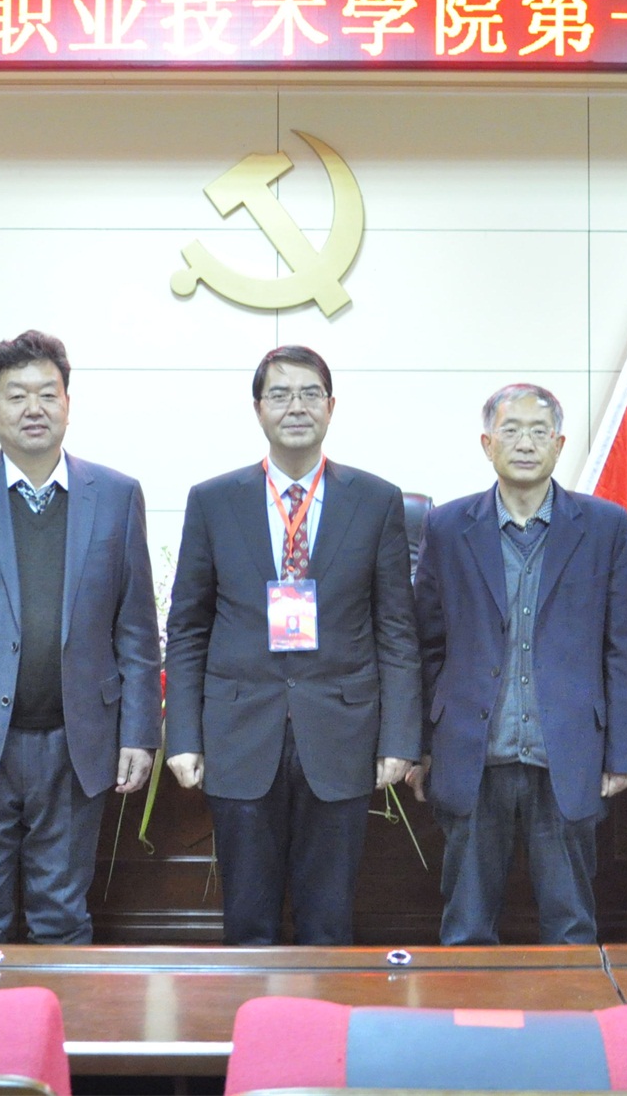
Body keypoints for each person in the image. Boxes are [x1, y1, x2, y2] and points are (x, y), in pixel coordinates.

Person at [0, 331, 160, 944]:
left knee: (63, 918)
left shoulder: (116, 495)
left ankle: (55, 1013)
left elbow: (136, 627)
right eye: (16, 396)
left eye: (48, 393)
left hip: (77, 748)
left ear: (68, 404)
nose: (33, 408)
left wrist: (139, 732)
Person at [164, 345, 422, 945]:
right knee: (247, 921)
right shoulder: (213, 500)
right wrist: (184, 736)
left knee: (328, 923)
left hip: (341, 733)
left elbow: (396, 631)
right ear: (258, 409)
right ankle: (251, 1010)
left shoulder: (376, 500)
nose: (296, 407)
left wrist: (399, 738)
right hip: (239, 733)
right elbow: (188, 628)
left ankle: (323, 1011)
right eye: (279, 395)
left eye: (310, 394)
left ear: (331, 407)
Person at [410, 384, 627, 944]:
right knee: (466, 927)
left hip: (567, 752)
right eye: (511, 430)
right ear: (487, 443)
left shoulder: (604, 525)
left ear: (559, 445)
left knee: (571, 926)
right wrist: (419, 744)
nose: (525, 443)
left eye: (540, 432)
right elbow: (425, 645)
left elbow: (625, 647)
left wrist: (625, 753)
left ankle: (571, 1008)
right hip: (471, 753)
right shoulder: (446, 526)